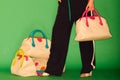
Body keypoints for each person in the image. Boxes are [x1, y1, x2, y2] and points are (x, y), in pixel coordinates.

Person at [42, 0, 95, 78]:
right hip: (66, 3)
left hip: (83, 3)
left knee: (86, 36)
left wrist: (91, 1)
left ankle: (87, 68)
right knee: (59, 34)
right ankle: (54, 68)